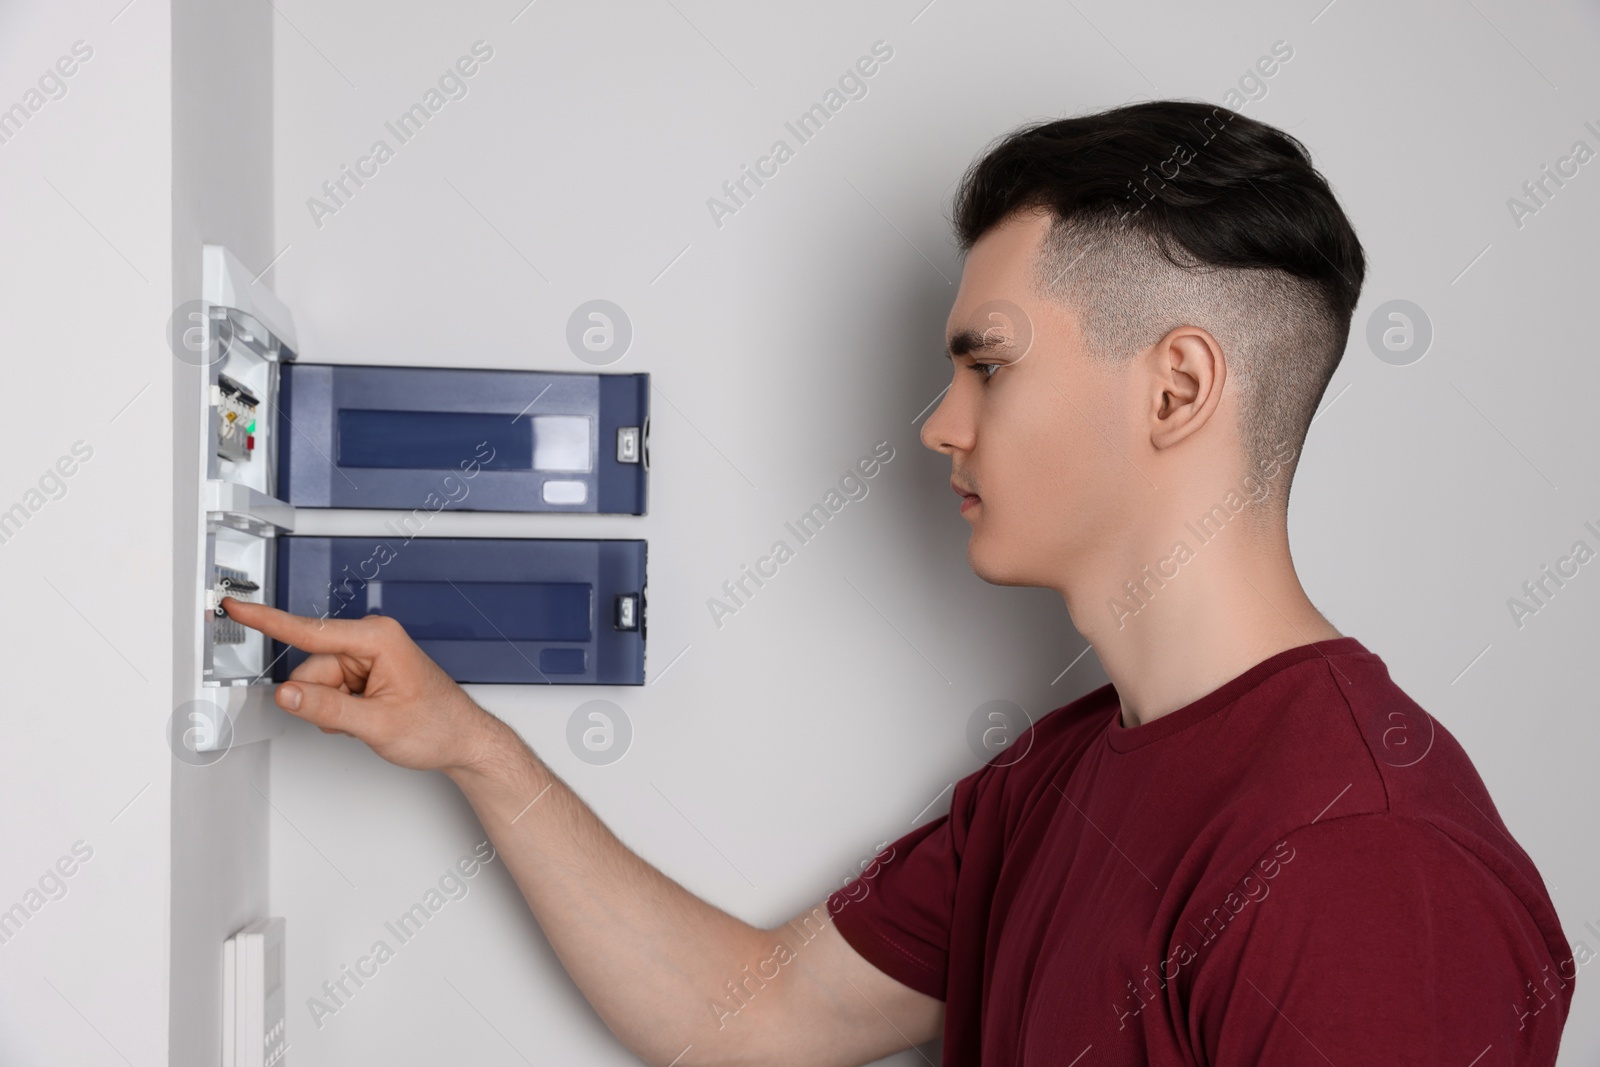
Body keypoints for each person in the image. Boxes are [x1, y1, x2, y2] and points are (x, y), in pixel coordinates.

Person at [223, 100, 1575, 1065]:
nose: (939, 423)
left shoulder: (1363, 865)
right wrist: (472, 749)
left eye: (988, 363)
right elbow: (750, 1016)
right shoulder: (1058, 778)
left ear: (1175, 387)